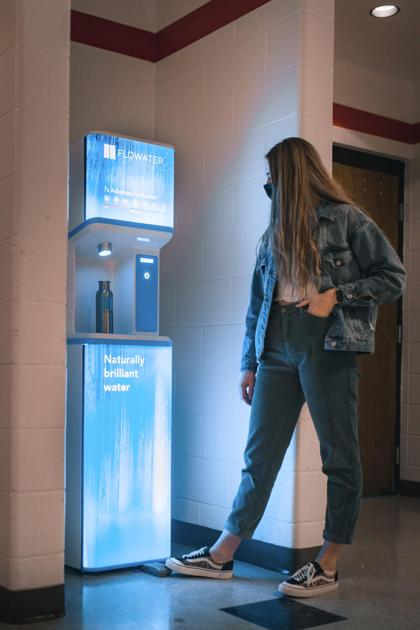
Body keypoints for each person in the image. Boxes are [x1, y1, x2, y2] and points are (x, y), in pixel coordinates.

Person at [165, 137, 407, 597]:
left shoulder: (348, 219)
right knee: (259, 458)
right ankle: (222, 555)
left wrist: (337, 294)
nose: (268, 180)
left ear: (294, 172)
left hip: (327, 342)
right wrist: (248, 363)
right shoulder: (271, 232)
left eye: (273, 172)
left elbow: (392, 276)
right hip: (275, 347)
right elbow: (257, 304)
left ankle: (328, 563)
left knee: (339, 455)